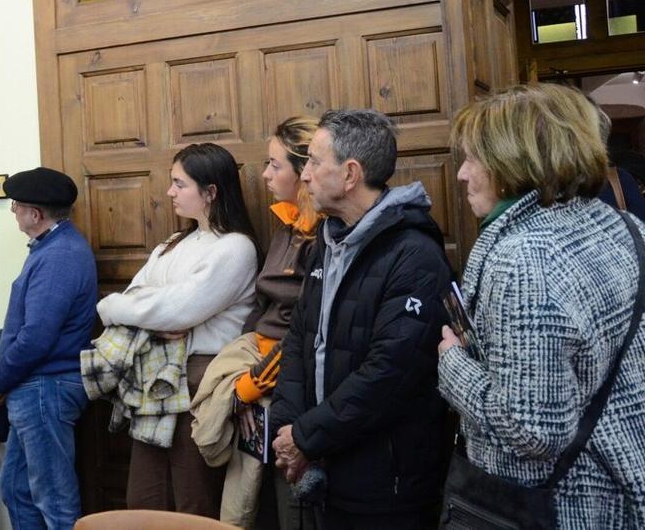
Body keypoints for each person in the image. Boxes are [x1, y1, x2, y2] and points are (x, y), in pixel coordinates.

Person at [439, 84, 645, 528]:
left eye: (472, 159)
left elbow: (533, 430)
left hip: (556, 502)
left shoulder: (525, 259)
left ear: (512, 164)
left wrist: (452, 364)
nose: (461, 175)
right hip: (618, 481)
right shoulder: (622, 225)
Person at [269, 109, 452, 528]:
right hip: (324, 468)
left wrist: (305, 437)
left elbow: (388, 374)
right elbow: (300, 337)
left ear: (350, 174)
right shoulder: (326, 241)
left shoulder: (414, 255)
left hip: (385, 485)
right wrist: (289, 430)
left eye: (314, 161)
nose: (306, 175)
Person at [95, 143, 259, 518]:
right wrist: (126, 310)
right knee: (145, 496)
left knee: (192, 498)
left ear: (210, 192)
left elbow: (175, 310)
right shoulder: (173, 243)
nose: (169, 191)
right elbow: (140, 296)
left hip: (200, 382)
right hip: (155, 380)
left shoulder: (236, 249)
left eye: (179, 183)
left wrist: (146, 311)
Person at [0, 167, 98, 530]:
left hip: (47, 388)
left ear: (36, 214)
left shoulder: (60, 256)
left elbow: (36, 338)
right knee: (16, 489)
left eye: (17, 205)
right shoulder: (53, 248)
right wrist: (3, 380)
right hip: (35, 386)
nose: (13, 210)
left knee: (56, 503)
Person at [226, 116, 321, 529]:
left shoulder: (323, 236)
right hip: (258, 371)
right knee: (254, 503)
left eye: (274, 165)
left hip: (289, 385)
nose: (264, 174)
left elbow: (304, 326)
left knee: (291, 505)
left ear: (304, 172)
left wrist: (250, 385)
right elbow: (262, 306)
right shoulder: (285, 225)